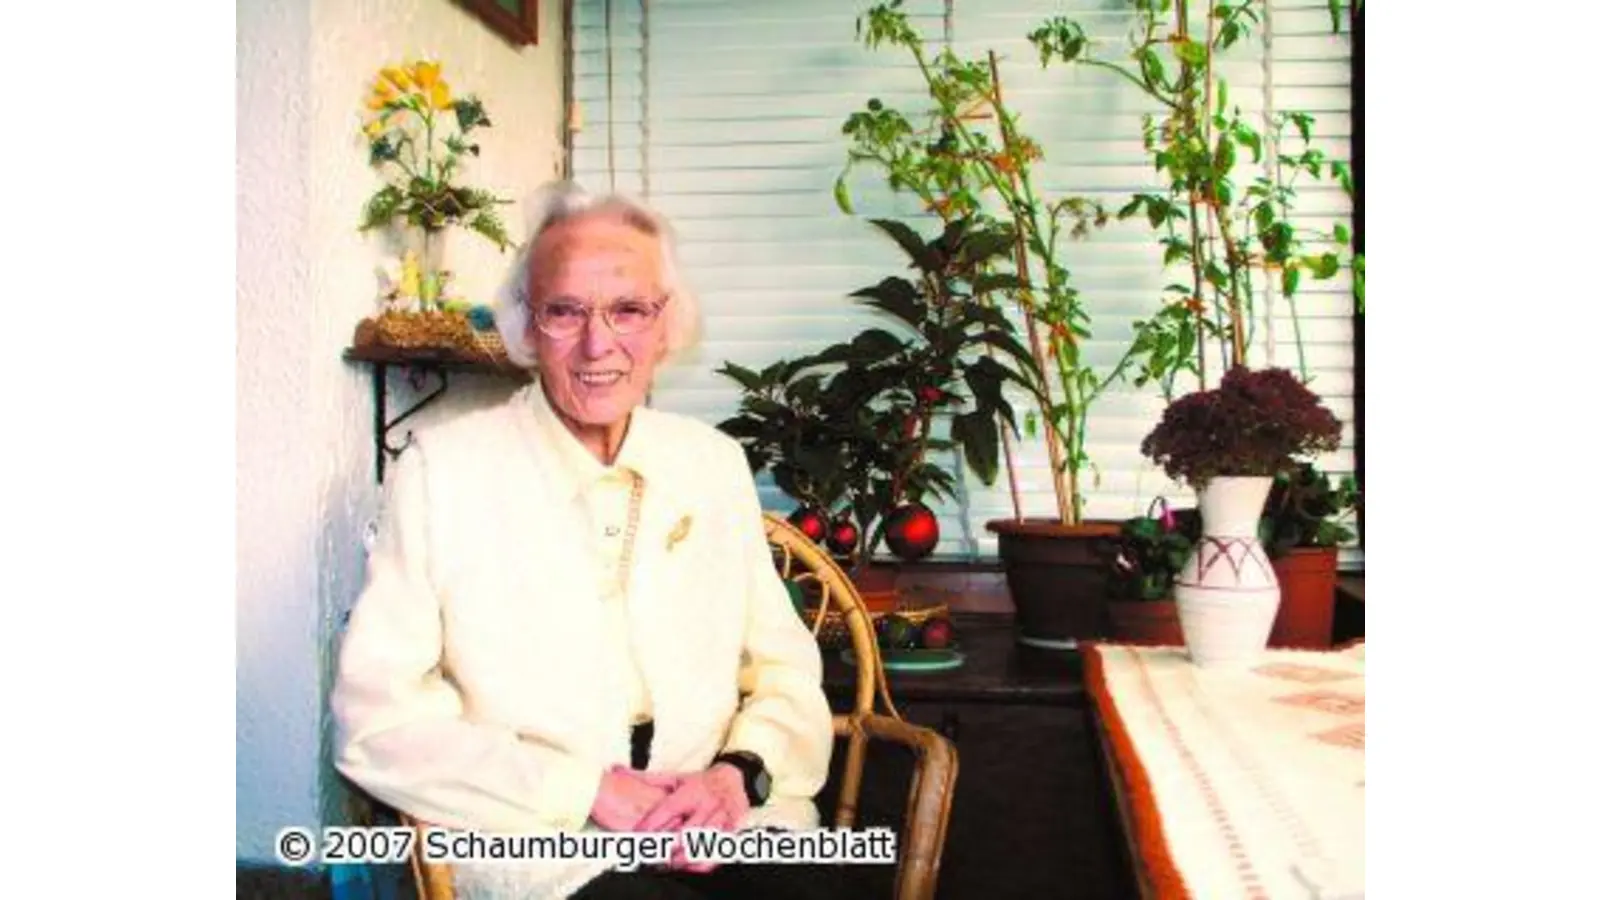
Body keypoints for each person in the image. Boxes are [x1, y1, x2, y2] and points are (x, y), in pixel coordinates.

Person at [332, 182, 845, 899]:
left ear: (666, 327)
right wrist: (585, 791)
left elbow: (785, 672)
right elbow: (375, 723)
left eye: (629, 310)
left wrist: (737, 776)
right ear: (526, 326)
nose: (599, 344)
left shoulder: (711, 463)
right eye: (565, 311)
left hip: (723, 822)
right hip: (543, 839)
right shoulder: (441, 472)